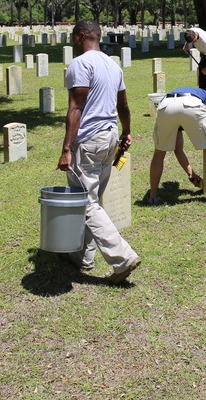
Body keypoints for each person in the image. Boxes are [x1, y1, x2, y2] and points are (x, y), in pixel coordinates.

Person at [57, 19, 141, 284]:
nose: (71, 41)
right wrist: (126, 132)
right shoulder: (112, 65)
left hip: (89, 141)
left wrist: (66, 148)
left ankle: (122, 257)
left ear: (82, 36)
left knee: (86, 201)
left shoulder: (79, 64)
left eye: (73, 36)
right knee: (94, 199)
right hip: (110, 137)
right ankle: (84, 257)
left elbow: (76, 108)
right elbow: (124, 106)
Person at [147, 86, 206, 207]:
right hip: (191, 104)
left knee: (159, 152)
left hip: (165, 105)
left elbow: (177, 149)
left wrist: (190, 173)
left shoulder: (177, 94)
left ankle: (153, 197)